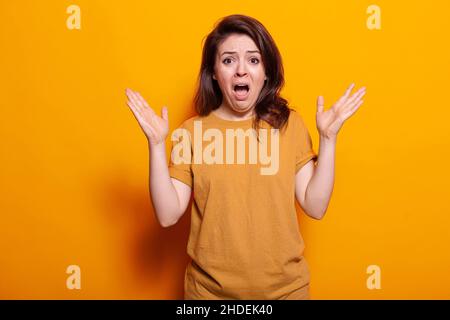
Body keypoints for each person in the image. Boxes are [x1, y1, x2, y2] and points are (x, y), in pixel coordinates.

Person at [125, 14, 366, 300]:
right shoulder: (190, 133)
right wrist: (155, 144)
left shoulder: (289, 125)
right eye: (228, 60)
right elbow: (167, 215)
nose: (241, 70)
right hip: (209, 296)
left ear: (266, 71)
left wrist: (328, 139)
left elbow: (315, 206)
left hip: (287, 293)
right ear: (214, 72)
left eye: (253, 60)